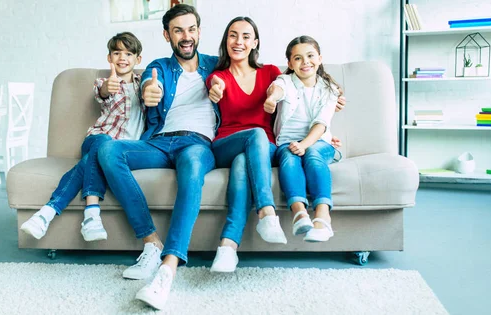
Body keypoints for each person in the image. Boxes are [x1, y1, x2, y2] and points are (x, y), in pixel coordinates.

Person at [96, 4, 218, 311]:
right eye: (178, 30)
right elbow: (151, 86)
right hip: (160, 142)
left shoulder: (217, 66)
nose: (186, 36)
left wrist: (328, 89)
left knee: (191, 169)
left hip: (197, 144)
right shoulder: (158, 65)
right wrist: (150, 91)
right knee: (107, 149)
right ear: (167, 35)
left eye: (191, 29)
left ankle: (167, 268)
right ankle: (151, 243)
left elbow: (261, 77)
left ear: (199, 32)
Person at [20, 32, 144, 242]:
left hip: (122, 150)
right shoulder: (104, 82)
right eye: (117, 53)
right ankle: (92, 214)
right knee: (104, 143)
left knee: (90, 162)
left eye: (129, 53)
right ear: (109, 58)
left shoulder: (144, 83)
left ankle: (46, 213)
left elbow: (155, 92)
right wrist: (108, 87)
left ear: (138, 59)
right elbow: (103, 93)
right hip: (97, 139)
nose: (122, 58)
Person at [205, 16, 287, 273]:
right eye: (232, 35)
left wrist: (275, 95)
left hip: (263, 149)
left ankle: (228, 247)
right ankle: (266, 210)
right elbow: (213, 85)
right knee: (254, 136)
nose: (238, 41)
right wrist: (215, 89)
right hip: (225, 145)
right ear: (226, 40)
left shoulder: (270, 72)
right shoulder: (219, 76)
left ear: (255, 43)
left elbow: (289, 87)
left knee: (244, 161)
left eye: (245, 36)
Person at [268, 35, 341, 242]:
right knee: (289, 158)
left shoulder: (330, 90)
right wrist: (272, 98)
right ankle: (299, 213)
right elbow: (277, 89)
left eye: (310, 56)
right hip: (287, 142)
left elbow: (321, 123)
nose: (305, 62)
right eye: (298, 58)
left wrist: (304, 144)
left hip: (319, 143)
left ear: (319, 58)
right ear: (290, 64)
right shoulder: (286, 81)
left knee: (313, 155)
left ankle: (322, 215)